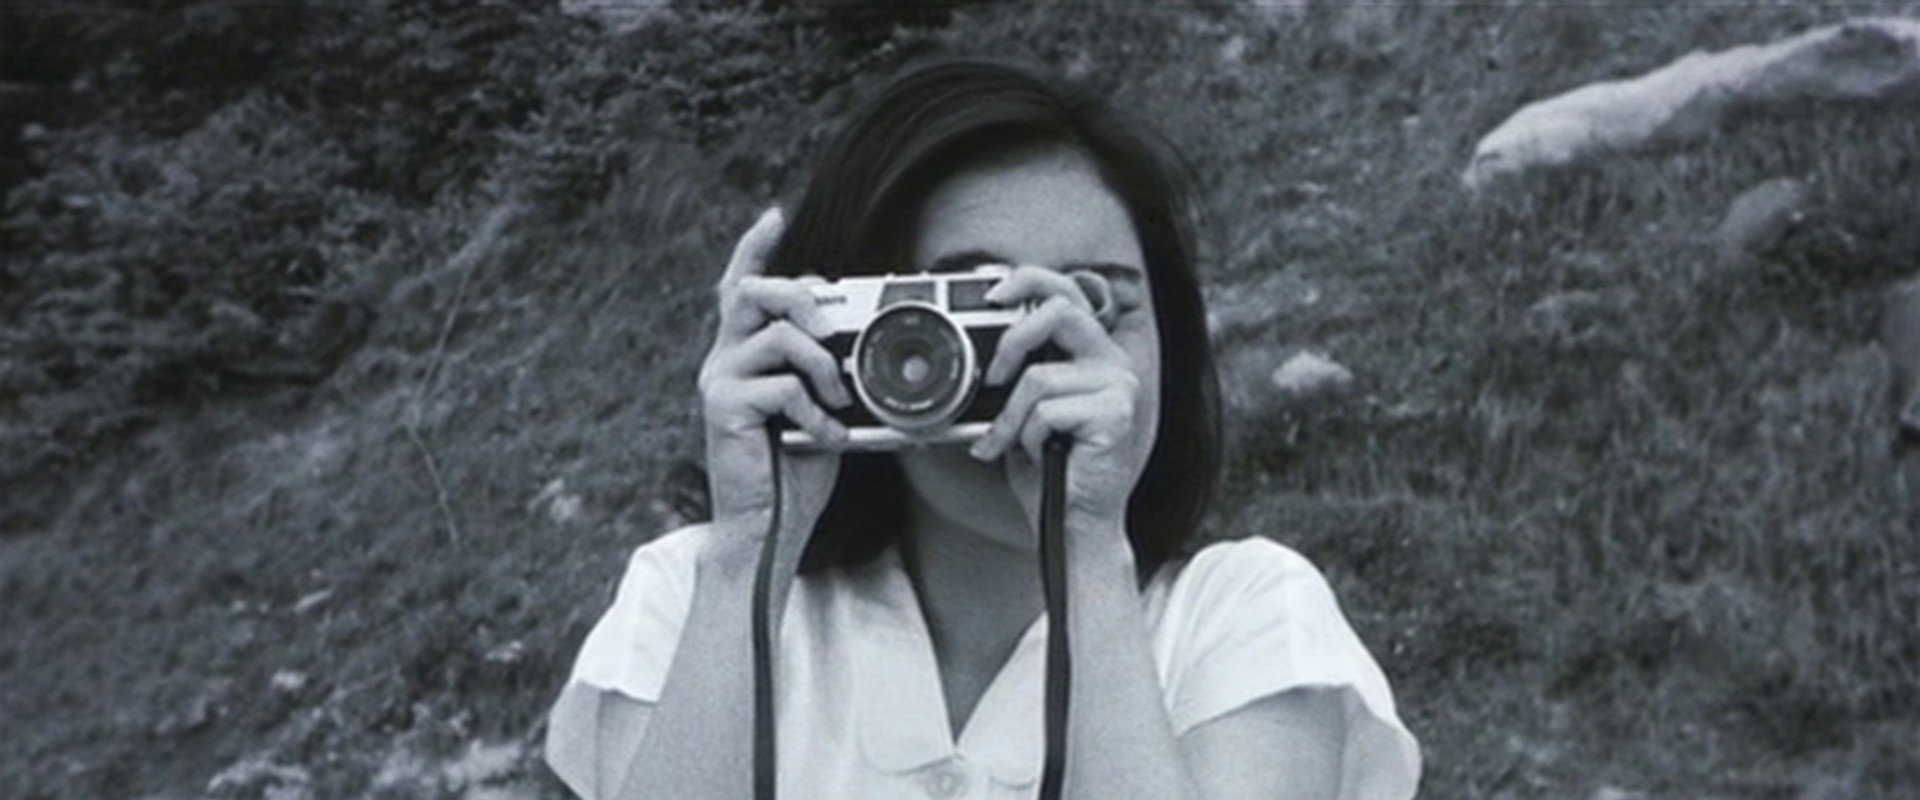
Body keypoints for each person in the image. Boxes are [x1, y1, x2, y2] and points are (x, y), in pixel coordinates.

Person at [544, 58, 1421, 800]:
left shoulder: (1248, 617)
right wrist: (747, 559)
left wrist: (1086, 550)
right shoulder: (686, 598)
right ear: (841, 337)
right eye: (966, 310)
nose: (1042, 364)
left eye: (1094, 305)